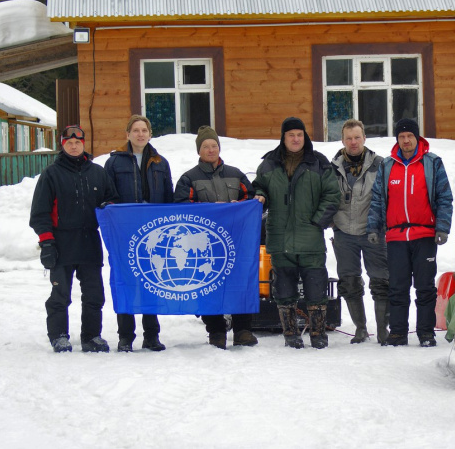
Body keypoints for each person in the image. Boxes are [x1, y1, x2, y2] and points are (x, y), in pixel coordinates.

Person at [252, 117, 340, 349]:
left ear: (305, 137)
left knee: (316, 289)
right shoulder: (269, 163)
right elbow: (258, 185)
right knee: (284, 290)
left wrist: (317, 221)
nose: (295, 139)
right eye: (291, 135)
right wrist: (260, 194)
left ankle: (318, 334)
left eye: (299, 135)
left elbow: (332, 195)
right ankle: (290, 333)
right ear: (283, 137)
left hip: (310, 238)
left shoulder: (319, 163)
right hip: (280, 239)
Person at [29, 125, 118, 353]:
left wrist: (109, 206)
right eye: (69, 142)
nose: (74, 145)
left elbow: (112, 202)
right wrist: (47, 242)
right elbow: (39, 213)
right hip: (61, 243)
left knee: (94, 294)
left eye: (78, 142)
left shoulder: (98, 172)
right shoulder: (51, 174)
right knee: (60, 294)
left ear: (84, 143)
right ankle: (59, 335)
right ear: (63, 144)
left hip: (89, 241)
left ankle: (91, 336)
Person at [367, 118, 453, 347]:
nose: (406, 141)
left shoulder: (432, 163)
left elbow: (444, 197)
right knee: (397, 287)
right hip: (395, 237)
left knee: (425, 287)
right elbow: (377, 200)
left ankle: (426, 332)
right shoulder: (387, 166)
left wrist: (442, 228)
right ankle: (398, 332)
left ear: (417, 138)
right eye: (402, 137)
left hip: (425, 235)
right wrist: (374, 227)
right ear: (397, 140)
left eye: (410, 137)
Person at [174, 125, 259, 349]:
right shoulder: (188, 178)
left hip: (236, 241)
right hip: (203, 245)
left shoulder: (235, 173)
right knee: (208, 285)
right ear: (198, 151)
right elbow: (182, 206)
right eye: (205, 146)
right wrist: (211, 208)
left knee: (239, 283)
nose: (210, 150)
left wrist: (237, 206)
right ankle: (216, 331)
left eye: (214, 145)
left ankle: (243, 330)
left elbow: (251, 198)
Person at [104, 115, 173, 352]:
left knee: (152, 281)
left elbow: (168, 198)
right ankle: (125, 336)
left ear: (150, 134)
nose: (140, 134)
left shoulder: (160, 162)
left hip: (153, 234)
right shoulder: (114, 162)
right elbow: (108, 196)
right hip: (125, 233)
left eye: (144, 130)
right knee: (126, 282)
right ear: (128, 134)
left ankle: (151, 335)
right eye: (136, 130)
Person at [331, 119, 389, 345]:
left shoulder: (381, 165)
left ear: (364, 138)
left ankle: (383, 330)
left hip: (373, 231)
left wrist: (382, 225)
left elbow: (387, 198)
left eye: (357, 137)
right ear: (343, 140)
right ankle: (360, 328)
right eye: (348, 138)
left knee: (381, 280)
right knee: (349, 281)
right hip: (344, 232)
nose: (353, 142)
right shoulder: (332, 168)